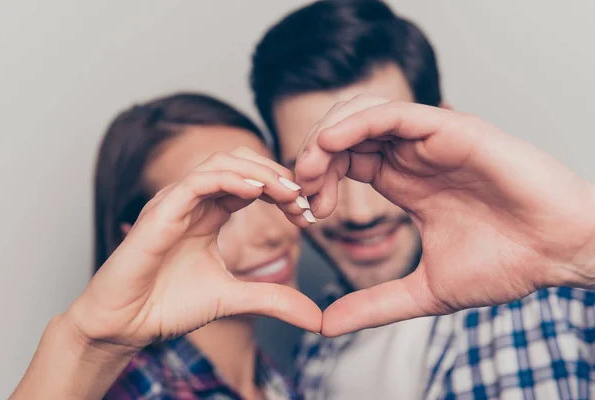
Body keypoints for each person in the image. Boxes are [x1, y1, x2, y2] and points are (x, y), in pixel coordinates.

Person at [250, 1, 595, 398]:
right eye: (321, 170)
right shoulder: (313, 348)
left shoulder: (558, 291)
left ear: (444, 130)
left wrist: (583, 247)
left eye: (381, 157)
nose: (361, 214)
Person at [11, 92, 322, 400]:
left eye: (268, 193)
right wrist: (87, 342)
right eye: (219, 209)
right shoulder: (141, 391)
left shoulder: (282, 379)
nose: (270, 233)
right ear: (138, 241)